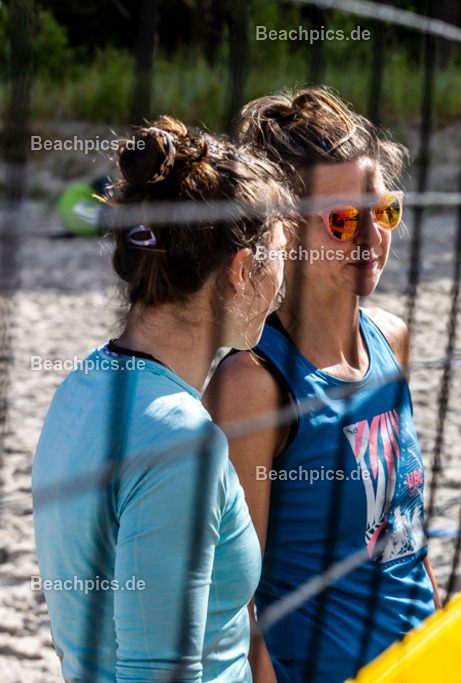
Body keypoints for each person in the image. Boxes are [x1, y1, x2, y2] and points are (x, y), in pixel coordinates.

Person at [32, 117, 296, 681]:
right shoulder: (181, 443)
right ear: (241, 271)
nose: (285, 278)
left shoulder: (80, 388)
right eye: (278, 255)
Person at [204, 87, 438, 683]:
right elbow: (232, 597)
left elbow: (406, 532)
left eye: (383, 210)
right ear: (285, 231)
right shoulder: (254, 383)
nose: (370, 237)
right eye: (341, 221)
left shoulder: (393, 339)